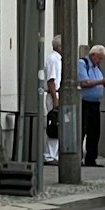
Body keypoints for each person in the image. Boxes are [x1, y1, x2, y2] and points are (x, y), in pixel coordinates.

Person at [79, 45, 105, 166]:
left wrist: (104, 84)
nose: (100, 61)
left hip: (95, 103)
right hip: (84, 102)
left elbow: (95, 83)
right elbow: (84, 82)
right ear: (93, 55)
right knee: (82, 130)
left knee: (94, 132)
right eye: (99, 58)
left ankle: (91, 158)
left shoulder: (96, 67)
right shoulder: (83, 64)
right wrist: (101, 81)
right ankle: (78, 158)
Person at [43, 36, 64, 165]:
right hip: (54, 94)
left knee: (58, 125)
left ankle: (54, 154)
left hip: (56, 93)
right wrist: (55, 99)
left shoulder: (58, 59)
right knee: (54, 124)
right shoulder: (53, 60)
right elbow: (51, 81)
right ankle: (49, 155)